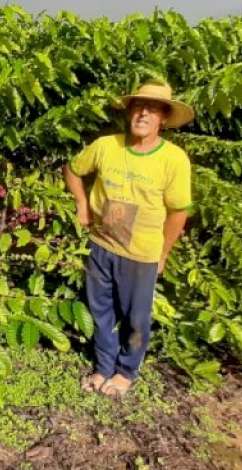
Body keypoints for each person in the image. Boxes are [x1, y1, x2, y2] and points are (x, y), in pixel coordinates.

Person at [64, 80, 193, 397]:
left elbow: (179, 211)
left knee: (136, 318)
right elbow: (72, 169)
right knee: (101, 310)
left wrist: (162, 254)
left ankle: (125, 371)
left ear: (163, 118)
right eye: (138, 106)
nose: (143, 113)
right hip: (101, 245)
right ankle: (104, 366)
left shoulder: (173, 160)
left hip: (141, 256)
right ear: (129, 112)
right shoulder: (106, 146)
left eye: (152, 108)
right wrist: (82, 205)